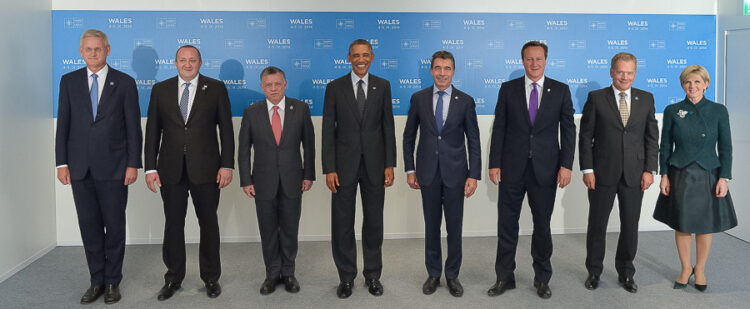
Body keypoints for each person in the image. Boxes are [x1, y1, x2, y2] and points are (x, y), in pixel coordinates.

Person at [55, 29, 142, 305]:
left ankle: (113, 282)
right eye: (88, 49)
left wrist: (133, 164)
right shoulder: (68, 81)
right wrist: (61, 162)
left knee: (114, 226)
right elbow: (63, 126)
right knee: (89, 227)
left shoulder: (125, 83)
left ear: (108, 50)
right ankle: (96, 280)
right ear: (81, 52)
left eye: (98, 49)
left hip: (116, 168)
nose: (93, 53)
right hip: (80, 169)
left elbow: (133, 128)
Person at [144, 45, 234, 300]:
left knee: (208, 224)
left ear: (200, 62)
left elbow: (226, 130)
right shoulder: (160, 90)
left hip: (207, 170)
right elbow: (153, 132)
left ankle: (211, 278)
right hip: (170, 170)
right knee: (173, 224)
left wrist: (227, 165)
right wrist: (150, 167)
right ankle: (173, 278)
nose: (187, 64)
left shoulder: (216, 88)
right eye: (182, 60)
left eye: (192, 60)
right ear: (175, 63)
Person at [487, 41, 576, 299]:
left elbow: (568, 131)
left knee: (542, 226)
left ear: (546, 60)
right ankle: (504, 276)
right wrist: (494, 163)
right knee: (507, 225)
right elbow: (499, 128)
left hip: (545, 170)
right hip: (512, 168)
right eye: (529, 59)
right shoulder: (508, 89)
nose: (534, 64)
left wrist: (566, 165)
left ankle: (542, 278)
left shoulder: (560, 90)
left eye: (538, 59)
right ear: (522, 61)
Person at [322, 39, 397, 298]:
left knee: (374, 221)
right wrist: (329, 168)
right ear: (348, 58)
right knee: (342, 223)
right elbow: (327, 131)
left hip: (376, 166)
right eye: (356, 55)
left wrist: (390, 163)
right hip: (342, 168)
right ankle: (346, 277)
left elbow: (388, 126)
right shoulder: (334, 88)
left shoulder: (383, 86)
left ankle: (373, 275)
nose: (360, 59)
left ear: (372, 57)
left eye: (365, 55)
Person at [578, 52, 659, 293]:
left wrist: (649, 170)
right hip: (601, 174)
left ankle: (626, 272)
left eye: (630, 72)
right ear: (612, 72)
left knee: (630, 226)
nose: (625, 77)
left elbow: (651, 138)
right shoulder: (596, 98)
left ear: (635, 74)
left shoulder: (646, 98)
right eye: (620, 71)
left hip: (635, 175)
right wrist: (588, 169)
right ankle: (594, 271)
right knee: (597, 225)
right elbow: (585, 137)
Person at [403, 50, 481, 297]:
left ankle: (452, 275)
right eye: (438, 68)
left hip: (457, 174)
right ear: (431, 70)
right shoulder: (418, 98)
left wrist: (474, 174)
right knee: (431, 226)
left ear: (453, 71)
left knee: (454, 227)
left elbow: (474, 141)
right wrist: (410, 169)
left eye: (447, 68)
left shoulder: (466, 101)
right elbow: (408, 137)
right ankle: (434, 273)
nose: (442, 73)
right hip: (427, 173)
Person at [654, 64, 736, 292]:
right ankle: (684, 267)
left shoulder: (719, 110)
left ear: (706, 84)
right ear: (682, 85)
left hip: (709, 172)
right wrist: (664, 174)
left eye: (697, 82)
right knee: (682, 225)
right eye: (688, 82)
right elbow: (665, 146)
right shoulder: (672, 110)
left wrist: (724, 177)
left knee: (704, 226)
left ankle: (699, 269)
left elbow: (726, 147)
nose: (692, 86)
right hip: (680, 172)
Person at [238, 66, 315, 295]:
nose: (273, 88)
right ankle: (272, 274)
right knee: (268, 230)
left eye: (277, 84)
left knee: (290, 229)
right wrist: (246, 180)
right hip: (262, 182)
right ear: (262, 87)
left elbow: (309, 145)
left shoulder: (300, 109)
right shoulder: (251, 112)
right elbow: (244, 150)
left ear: (285, 84)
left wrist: (308, 174)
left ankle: (289, 273)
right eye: (268, 85)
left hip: (293, 180)